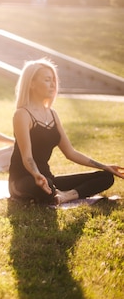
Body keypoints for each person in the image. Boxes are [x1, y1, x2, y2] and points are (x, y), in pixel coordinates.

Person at [8, 58, 123, 204]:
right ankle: (54, 192)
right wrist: (36, 175)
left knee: (106, 177)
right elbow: (27, 157)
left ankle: (66, 196)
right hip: (23, 180)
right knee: (47, 185)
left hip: (48, 178)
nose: (53, 84)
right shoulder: (22, 114)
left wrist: (104, 166)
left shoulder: (52, 114)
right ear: (32, 83)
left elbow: (71, 153)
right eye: (47, 80)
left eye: (53, 80)